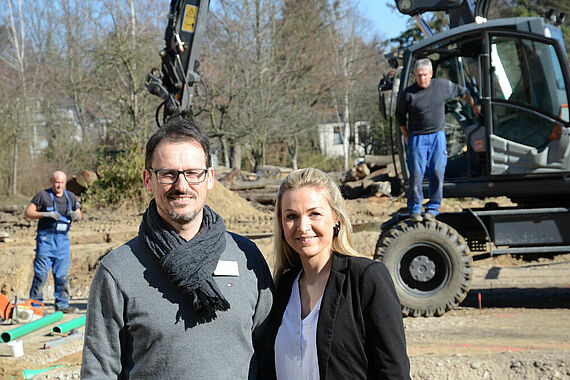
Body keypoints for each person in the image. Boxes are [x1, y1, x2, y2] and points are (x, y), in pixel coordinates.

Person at [81, 119, 274, 379]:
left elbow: (271, 355)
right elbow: (99, 371)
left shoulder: (247, 257)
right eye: (168, 174)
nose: (182, 186)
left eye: (193, 173)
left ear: (209, 179)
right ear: (148, 180)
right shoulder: (117, 270)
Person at [258, 168, 410, 380]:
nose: (303, 227)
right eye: (291, 216)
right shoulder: (282, 288)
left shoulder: (366, 279)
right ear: (281, 224)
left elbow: (393, 372)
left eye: (315, 214)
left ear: (336, 218)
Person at [396, 58, 481, 222]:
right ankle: (414, 208)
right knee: (416, 174)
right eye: (419, 75)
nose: (422, 79)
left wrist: (474, 105)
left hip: (437, 136)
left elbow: (462, 92)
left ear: (431, 74)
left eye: (425, 75)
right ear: (414, 75)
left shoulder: (442, 86)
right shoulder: (407, 94)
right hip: (417, 137)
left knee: (437, 171)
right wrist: (406, 135)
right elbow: (399, 116)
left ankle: (433, 208)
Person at [25, 170, 82, 314]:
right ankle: (36, 306)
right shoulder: (42, 196)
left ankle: (62, 304)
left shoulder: (70, 197)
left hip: (63, 241)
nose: (59, 185)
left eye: (62, 182)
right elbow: (28, 212)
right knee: (41, 274)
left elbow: (79, 213)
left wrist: (76, 215)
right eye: (57, 182)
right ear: (52, 182)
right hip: (46, 241)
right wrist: (45, 214)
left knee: (61, 275)